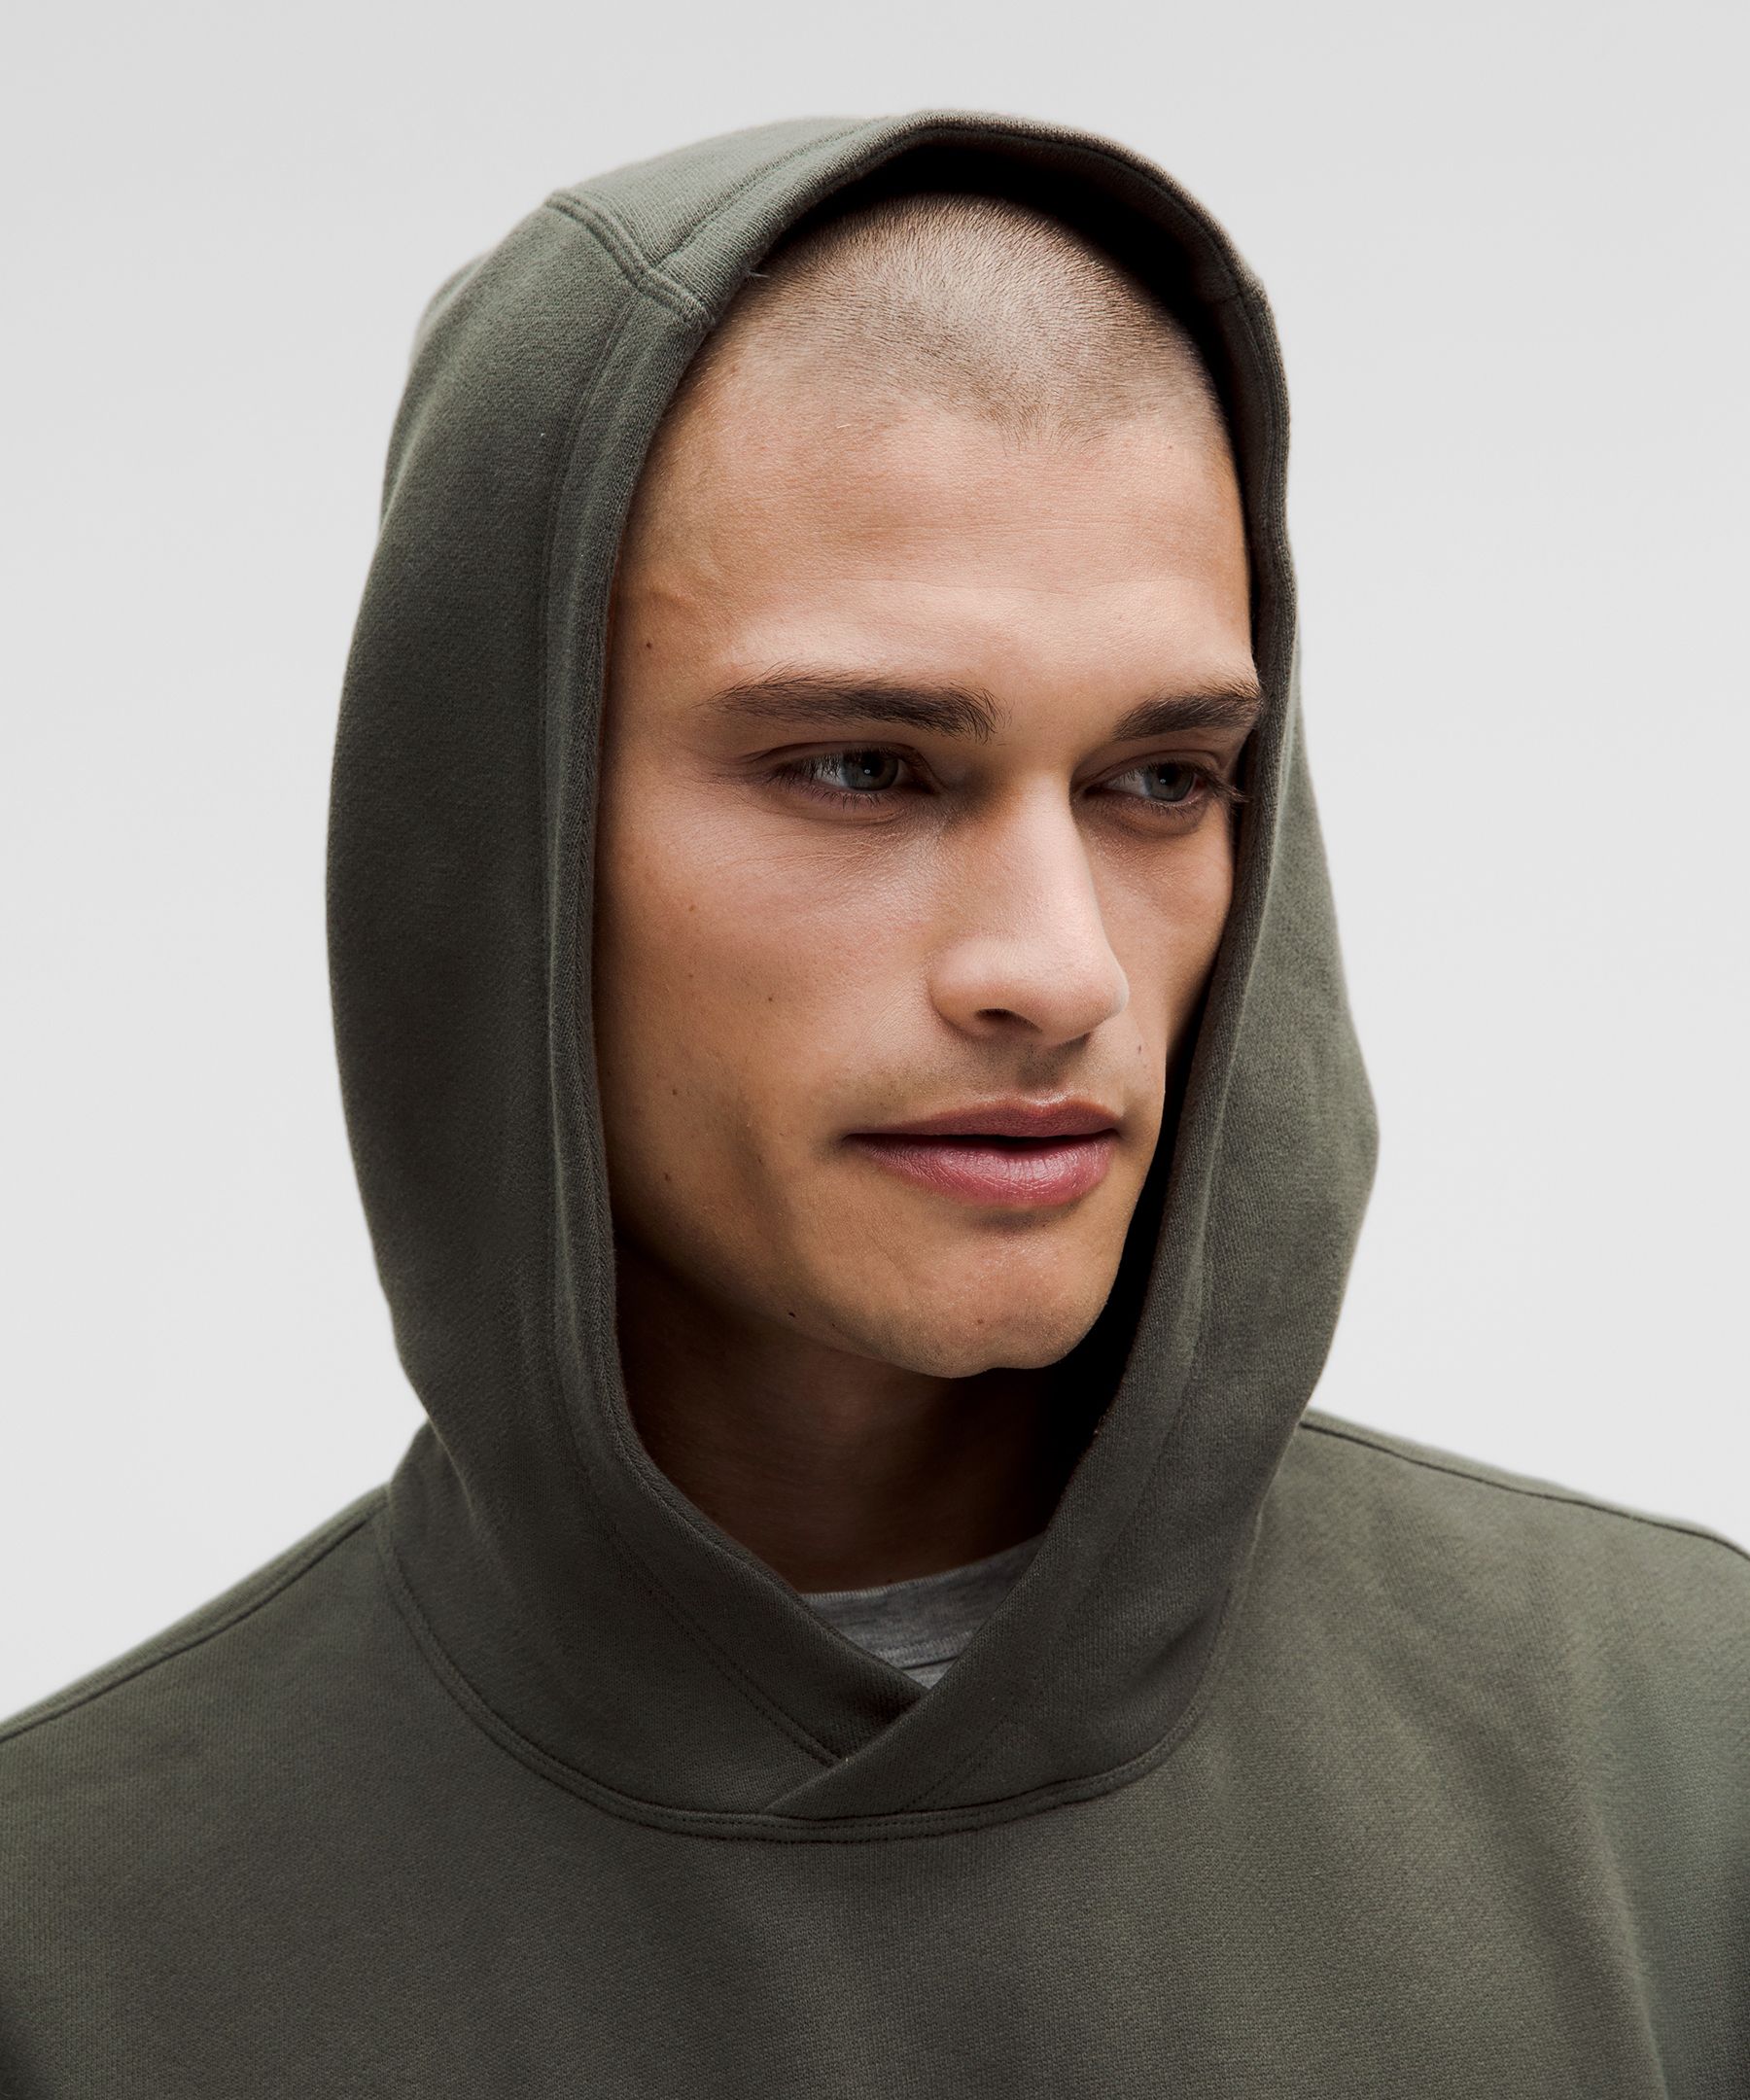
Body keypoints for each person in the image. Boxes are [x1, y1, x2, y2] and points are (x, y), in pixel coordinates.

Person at [1, 109, 1743, 2097]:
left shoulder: (1683, 1773)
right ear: (502, 829)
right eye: (861, 769)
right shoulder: (70, 1960)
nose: (1060, 971)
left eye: (1162, 779)